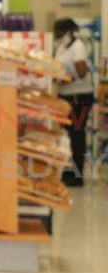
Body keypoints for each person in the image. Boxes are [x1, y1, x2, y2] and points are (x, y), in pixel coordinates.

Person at [53, 18, 94, 186]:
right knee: (68, 137)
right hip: (66, 96)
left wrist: (63, 80)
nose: (58, 36)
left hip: (79, 97)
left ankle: (77, 176)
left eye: (60, 32)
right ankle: (69, 171)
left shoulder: (78, 47)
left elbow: (81, 71)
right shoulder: (62, 47)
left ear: (69, 31)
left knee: (77, 135)